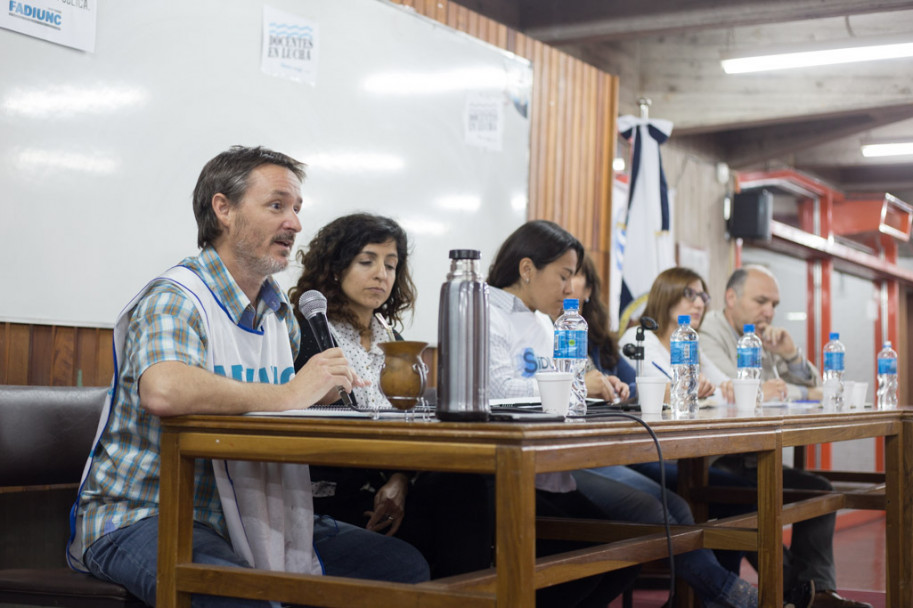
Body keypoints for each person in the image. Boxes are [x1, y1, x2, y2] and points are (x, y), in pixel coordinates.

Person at [67, 146, 429, 608]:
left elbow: (288, 402)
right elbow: (164, 389)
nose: (295, 224)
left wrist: (319, 398)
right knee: (243, 601)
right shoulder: (176, 297)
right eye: (277, 206)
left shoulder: (281, 314)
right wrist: (292, 392)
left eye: (296, 209)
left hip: (254, 509)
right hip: (147, 514)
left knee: (404, 568)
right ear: (224, 209)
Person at [487, 220, 758, 608]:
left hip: (562, 459)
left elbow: (572, 379)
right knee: (641, 530)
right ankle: (738, 597)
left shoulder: (545, 323)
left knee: (645, 539)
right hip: (519, 467)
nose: (570, 290)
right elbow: (498, 391)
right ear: (527, 269)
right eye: (564, 277)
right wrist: (579, 385)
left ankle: (727, 597)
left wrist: (598, 382)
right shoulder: (485, 309)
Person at [288, 212, 491, 578]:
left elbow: (408, 420)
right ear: (336, 267)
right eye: (367, 261)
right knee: (443, 533)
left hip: (386, 484)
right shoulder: (309, 331)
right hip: (333, 494)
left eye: (391, 264)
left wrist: (399, 480)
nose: (382, 274)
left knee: (467, 487)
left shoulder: (391, 338)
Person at [700, 266, 871, 608]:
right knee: (751, 501)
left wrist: (790, 355)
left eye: (774, 304)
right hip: (718, 457)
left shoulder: (759, 338)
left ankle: (812, 591)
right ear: (731, 298)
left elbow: (817, 389)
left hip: (757, 454)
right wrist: (788, 390)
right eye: (761, 300)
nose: (769, 311)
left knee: (817, 491)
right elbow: (742, 394)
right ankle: (808, 593)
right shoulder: (707, 334)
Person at [619, 266, 727, 402]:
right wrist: (715, 392)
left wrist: (726, 389)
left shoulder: (689, 343)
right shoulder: (638, 338)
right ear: (666, 296)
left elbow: (729, 389)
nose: (700, 304)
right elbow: (676, 393)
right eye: (690, 294)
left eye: (703, 297)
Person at [569, 254, 636, 399]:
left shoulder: (600, 340)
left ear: (588, 290)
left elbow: (634, 383)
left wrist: (615, 389)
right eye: (562, 275)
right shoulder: (545, 329)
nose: (565, 283)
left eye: (573, 274)